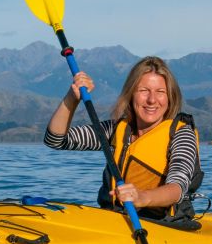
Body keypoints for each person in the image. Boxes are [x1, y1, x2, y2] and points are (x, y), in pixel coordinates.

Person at [44, 56, 202, 222]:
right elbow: (55, 139)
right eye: (143, 90)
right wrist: (72, 98)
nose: (152, 100)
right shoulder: (115, 130)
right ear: (131, 94)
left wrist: (141, 198)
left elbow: (178, 186)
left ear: (170, 98)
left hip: (164, 224)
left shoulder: (181, 134)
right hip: (116, 221)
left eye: (160, 92)